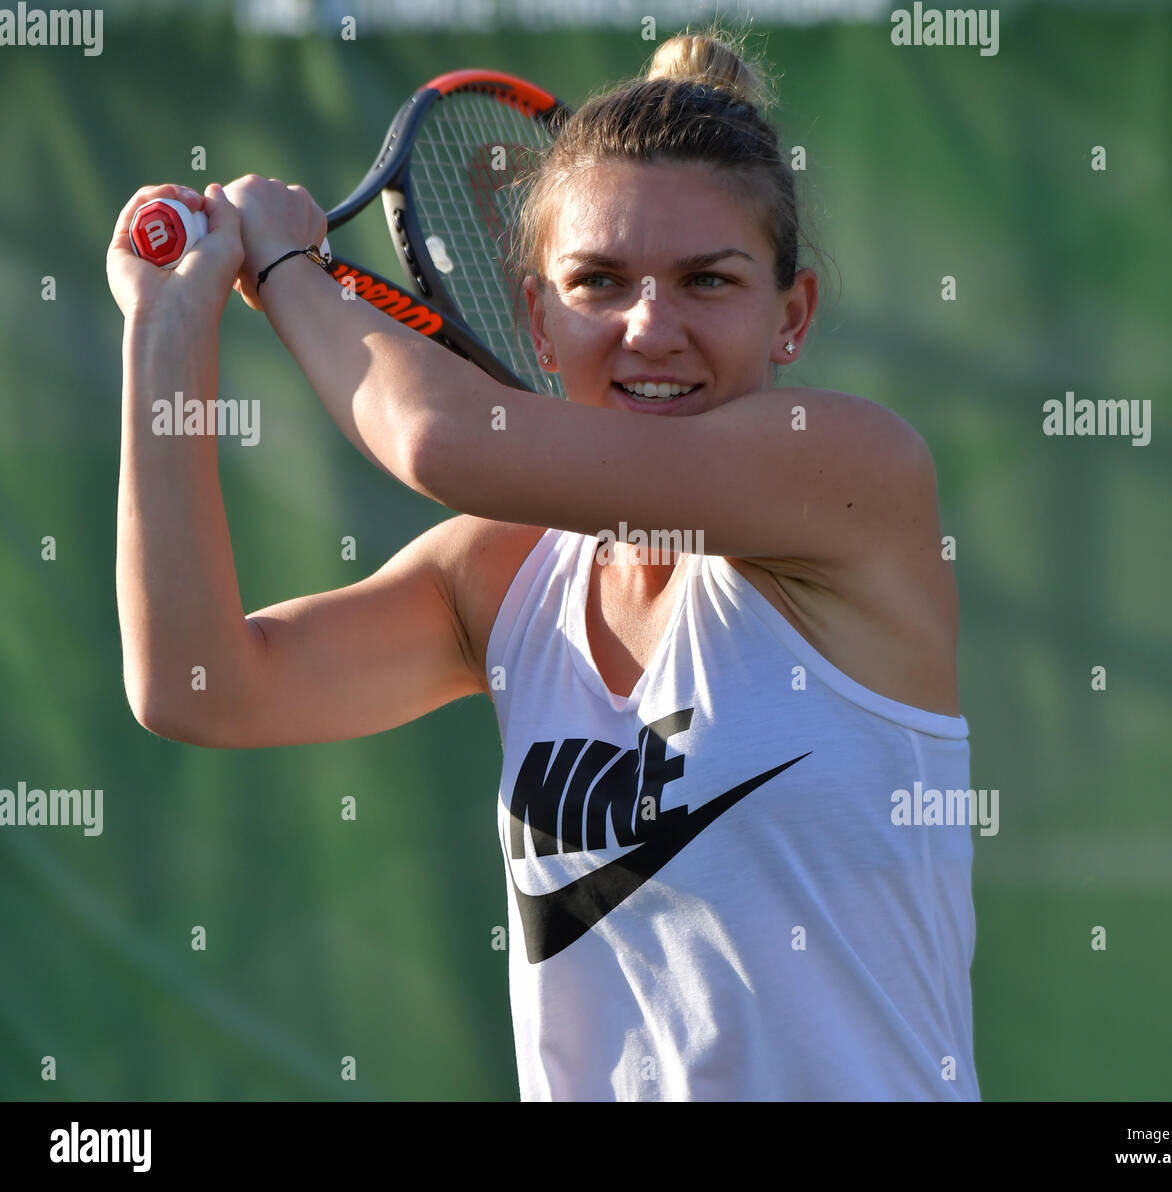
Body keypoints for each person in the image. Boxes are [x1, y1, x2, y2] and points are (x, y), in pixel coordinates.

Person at [107, 30, 979, 1102]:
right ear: (535, 315)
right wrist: (167, 322)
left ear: (789, 315)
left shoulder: (851, 470)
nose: (650, 325)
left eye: (707, 280)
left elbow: (438, 443)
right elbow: (199, 684)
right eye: (598, 282)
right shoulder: (505, 573)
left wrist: (287, 265)